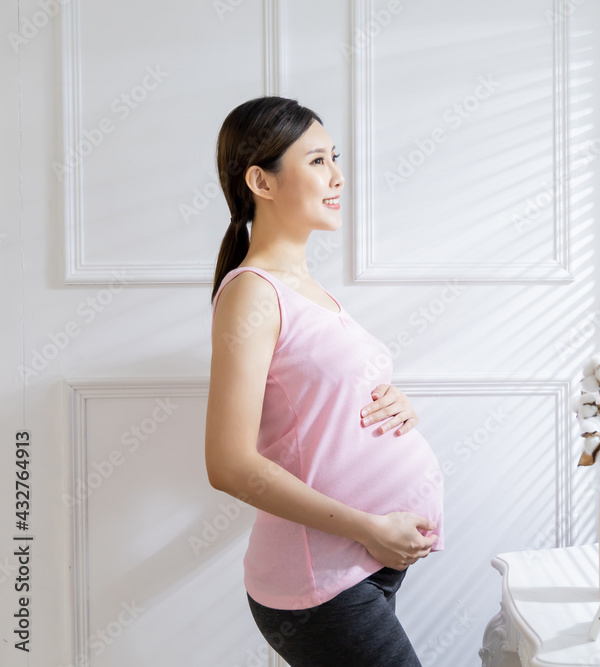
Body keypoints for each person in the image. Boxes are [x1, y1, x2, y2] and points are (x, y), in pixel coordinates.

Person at [204, 96, 445, 667]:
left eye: (333, 158)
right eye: (317, 161)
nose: (338, 176)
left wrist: (397, 406)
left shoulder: (308, 290)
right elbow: (228, 465)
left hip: (363, 563)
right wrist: (370, 527)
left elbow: (319, 408)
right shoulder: (252, 294)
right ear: (261, 181)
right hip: (322, 579)